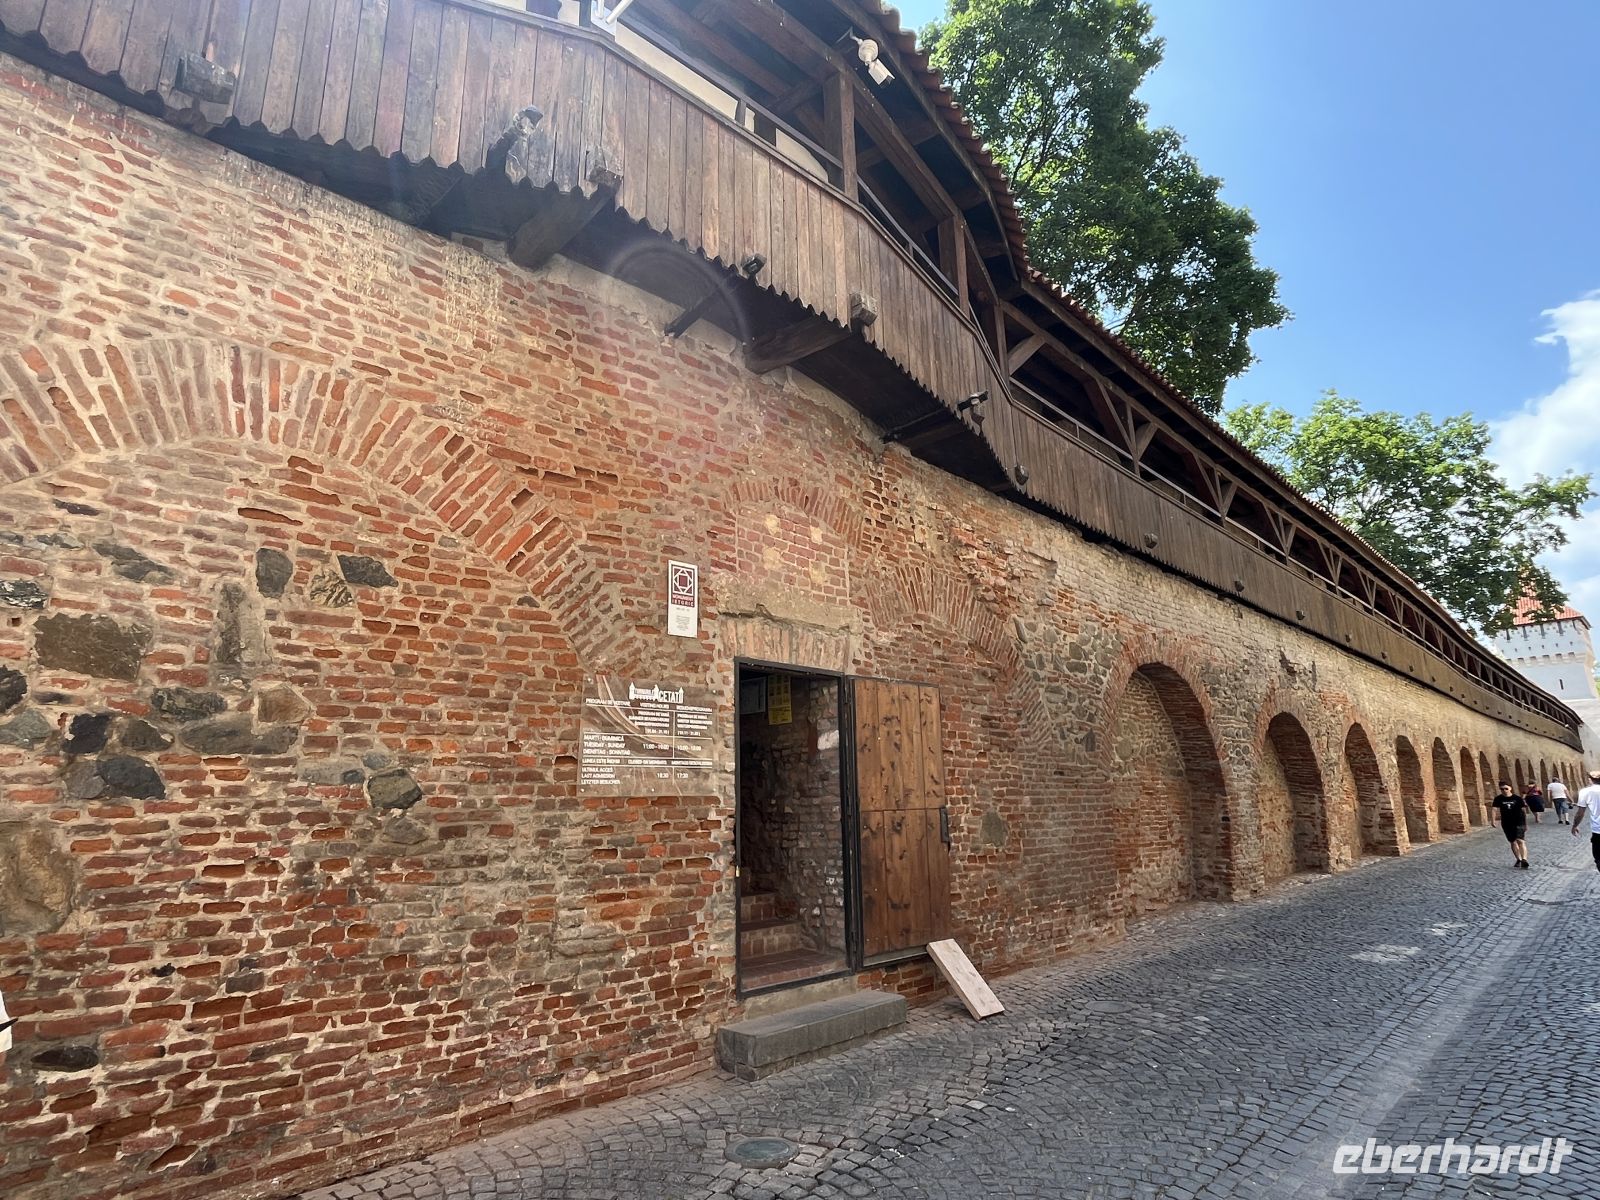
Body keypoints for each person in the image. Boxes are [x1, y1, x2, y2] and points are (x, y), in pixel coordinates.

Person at [1490, 782, 1530, 868]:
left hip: (1519, 821)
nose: (1504, 791)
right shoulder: (1498, 799)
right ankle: (1518, 859)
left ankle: (1524, 859)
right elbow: (1494, 809)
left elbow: (1523, 811)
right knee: (1512, 841)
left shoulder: (1517, 798)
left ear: (1510, 788)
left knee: (1520, 840)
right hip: (1506, 822)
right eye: (1502, 789)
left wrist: (1525, 824)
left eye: (1506, 788)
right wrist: (1493, 820)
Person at [1570, 770, 1600, 874]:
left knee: (1598, 858)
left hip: (1598, 831)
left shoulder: (1585, 792)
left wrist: (1574, 826)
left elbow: (1580, 813)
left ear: (1590, 779)